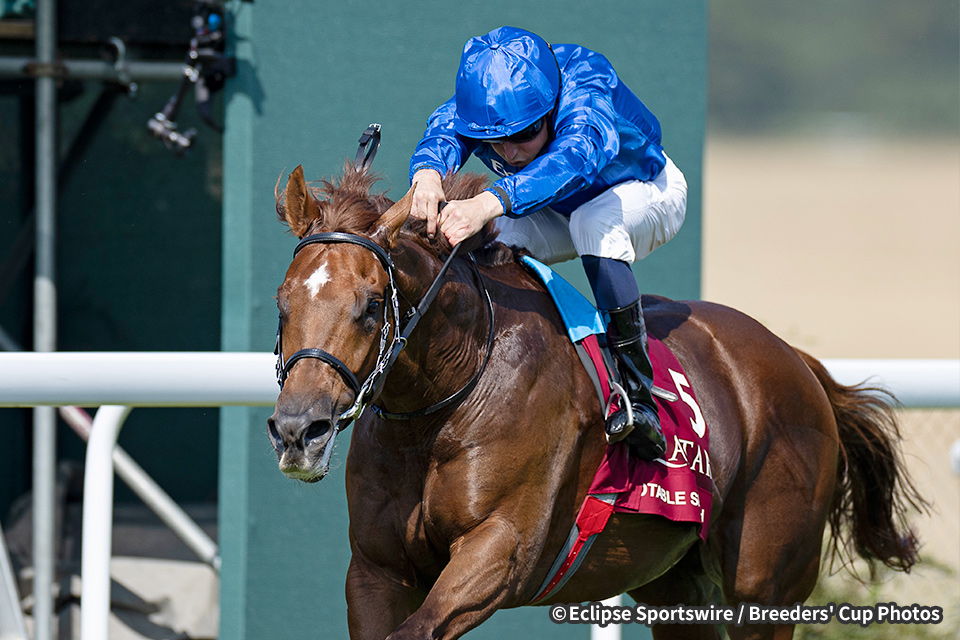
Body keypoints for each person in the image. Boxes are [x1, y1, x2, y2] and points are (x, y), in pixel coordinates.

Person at [408, 26, 687, 460]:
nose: (510, 152)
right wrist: (427, 172)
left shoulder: (588, 80)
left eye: (525, 133)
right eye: (494, 139)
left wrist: (487, 202)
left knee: (591, 222)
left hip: (646, 190)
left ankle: (638, 396)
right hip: (556, 208)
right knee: (498, 236)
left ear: (552, 102)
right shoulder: (484, 102)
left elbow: (576, 156)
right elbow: (444, 131)